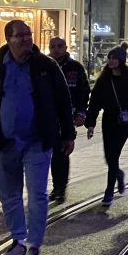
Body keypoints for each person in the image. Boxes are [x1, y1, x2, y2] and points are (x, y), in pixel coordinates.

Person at [0, 20, 76, 255]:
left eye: (28, 34)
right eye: (19, 35)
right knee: (8, 195)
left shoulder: (46, 65)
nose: (26, 39)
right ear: (8, 39)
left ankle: (34, 243)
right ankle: (18, 240)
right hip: (4, 142)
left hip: (37, 141)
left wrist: (68, 134)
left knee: (37, 194)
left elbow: (63, 100)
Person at [85, 48, 128, 207]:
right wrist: (90, 124)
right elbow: (94, 103)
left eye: (114, 58)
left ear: (121, 60)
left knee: (114, 155)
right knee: (109, 156)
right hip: (108, 120)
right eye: (109, 58)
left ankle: (109, 190)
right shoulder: (104, 80)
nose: (111, 61)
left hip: (124, 122)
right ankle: (118, 174)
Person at [48, 37, 89, 204]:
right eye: (53, 47)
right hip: (48, 116)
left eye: (59, 46)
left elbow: (83, 90)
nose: (56, 49)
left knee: (62, 152)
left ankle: (60, 187)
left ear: (65, 48)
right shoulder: (44, 64)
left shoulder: (75, 67)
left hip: (66, 117)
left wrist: (82, 112)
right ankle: (55, 186)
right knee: (47, 153)